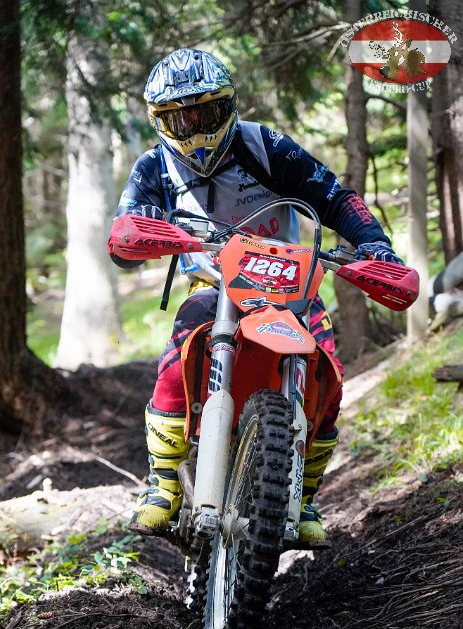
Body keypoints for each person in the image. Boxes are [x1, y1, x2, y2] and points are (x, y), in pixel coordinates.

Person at [109, 48, 404, 547]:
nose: (194, 129)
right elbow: (125, 234)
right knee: (175, 363)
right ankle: (163, 485)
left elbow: (334, 196)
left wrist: (375, 245)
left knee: (328, 374)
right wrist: (138, 233)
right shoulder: (153, 167)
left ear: (229, 105)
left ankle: (302, 496)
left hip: (291, 284)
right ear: (159, 120)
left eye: (205, 112)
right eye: (179, 119)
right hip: (214, 286)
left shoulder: (264, 145)